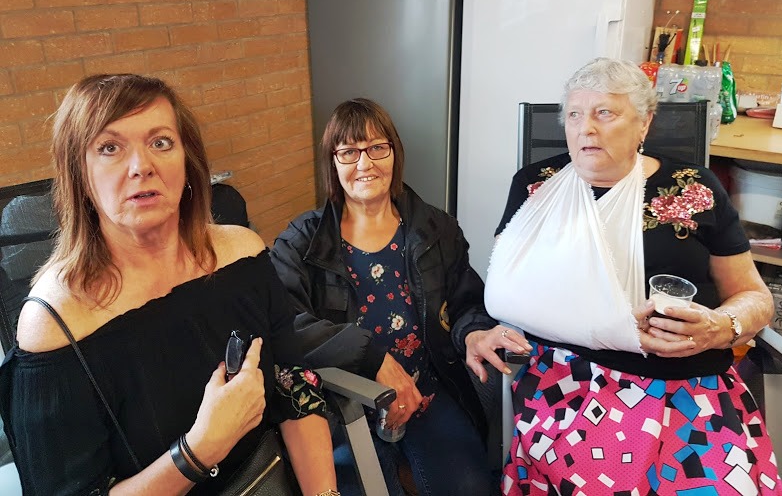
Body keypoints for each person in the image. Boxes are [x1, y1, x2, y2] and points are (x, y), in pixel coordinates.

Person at [0, 74, 339, 496]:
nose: (141, 166)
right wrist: (200, 450)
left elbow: (295, 385)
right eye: (109, 148)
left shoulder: (244, 254)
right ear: (80, 176)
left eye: (160, 142)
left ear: (187, 163)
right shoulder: (55, 323)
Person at [480, 58, 782, 495]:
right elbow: (507, 292)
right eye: (574, 114)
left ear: (645, 122)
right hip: (571, 382)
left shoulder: (694, 189)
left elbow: (754, 296)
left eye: (605, 112)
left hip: (689, 382)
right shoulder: (536, 186)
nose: (586, 128)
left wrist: (723, 327)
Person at [270, 98, 495, 496]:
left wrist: (474, 331)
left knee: (471, 487)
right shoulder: (301, 241)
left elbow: (465, 302)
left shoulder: (436, 228)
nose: (364, 164)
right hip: (342, 405)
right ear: (332, 163)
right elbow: (282, 322)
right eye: (349, 152)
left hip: (424, 388)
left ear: (394, 153)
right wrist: (373, 359)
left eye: (377, 148)